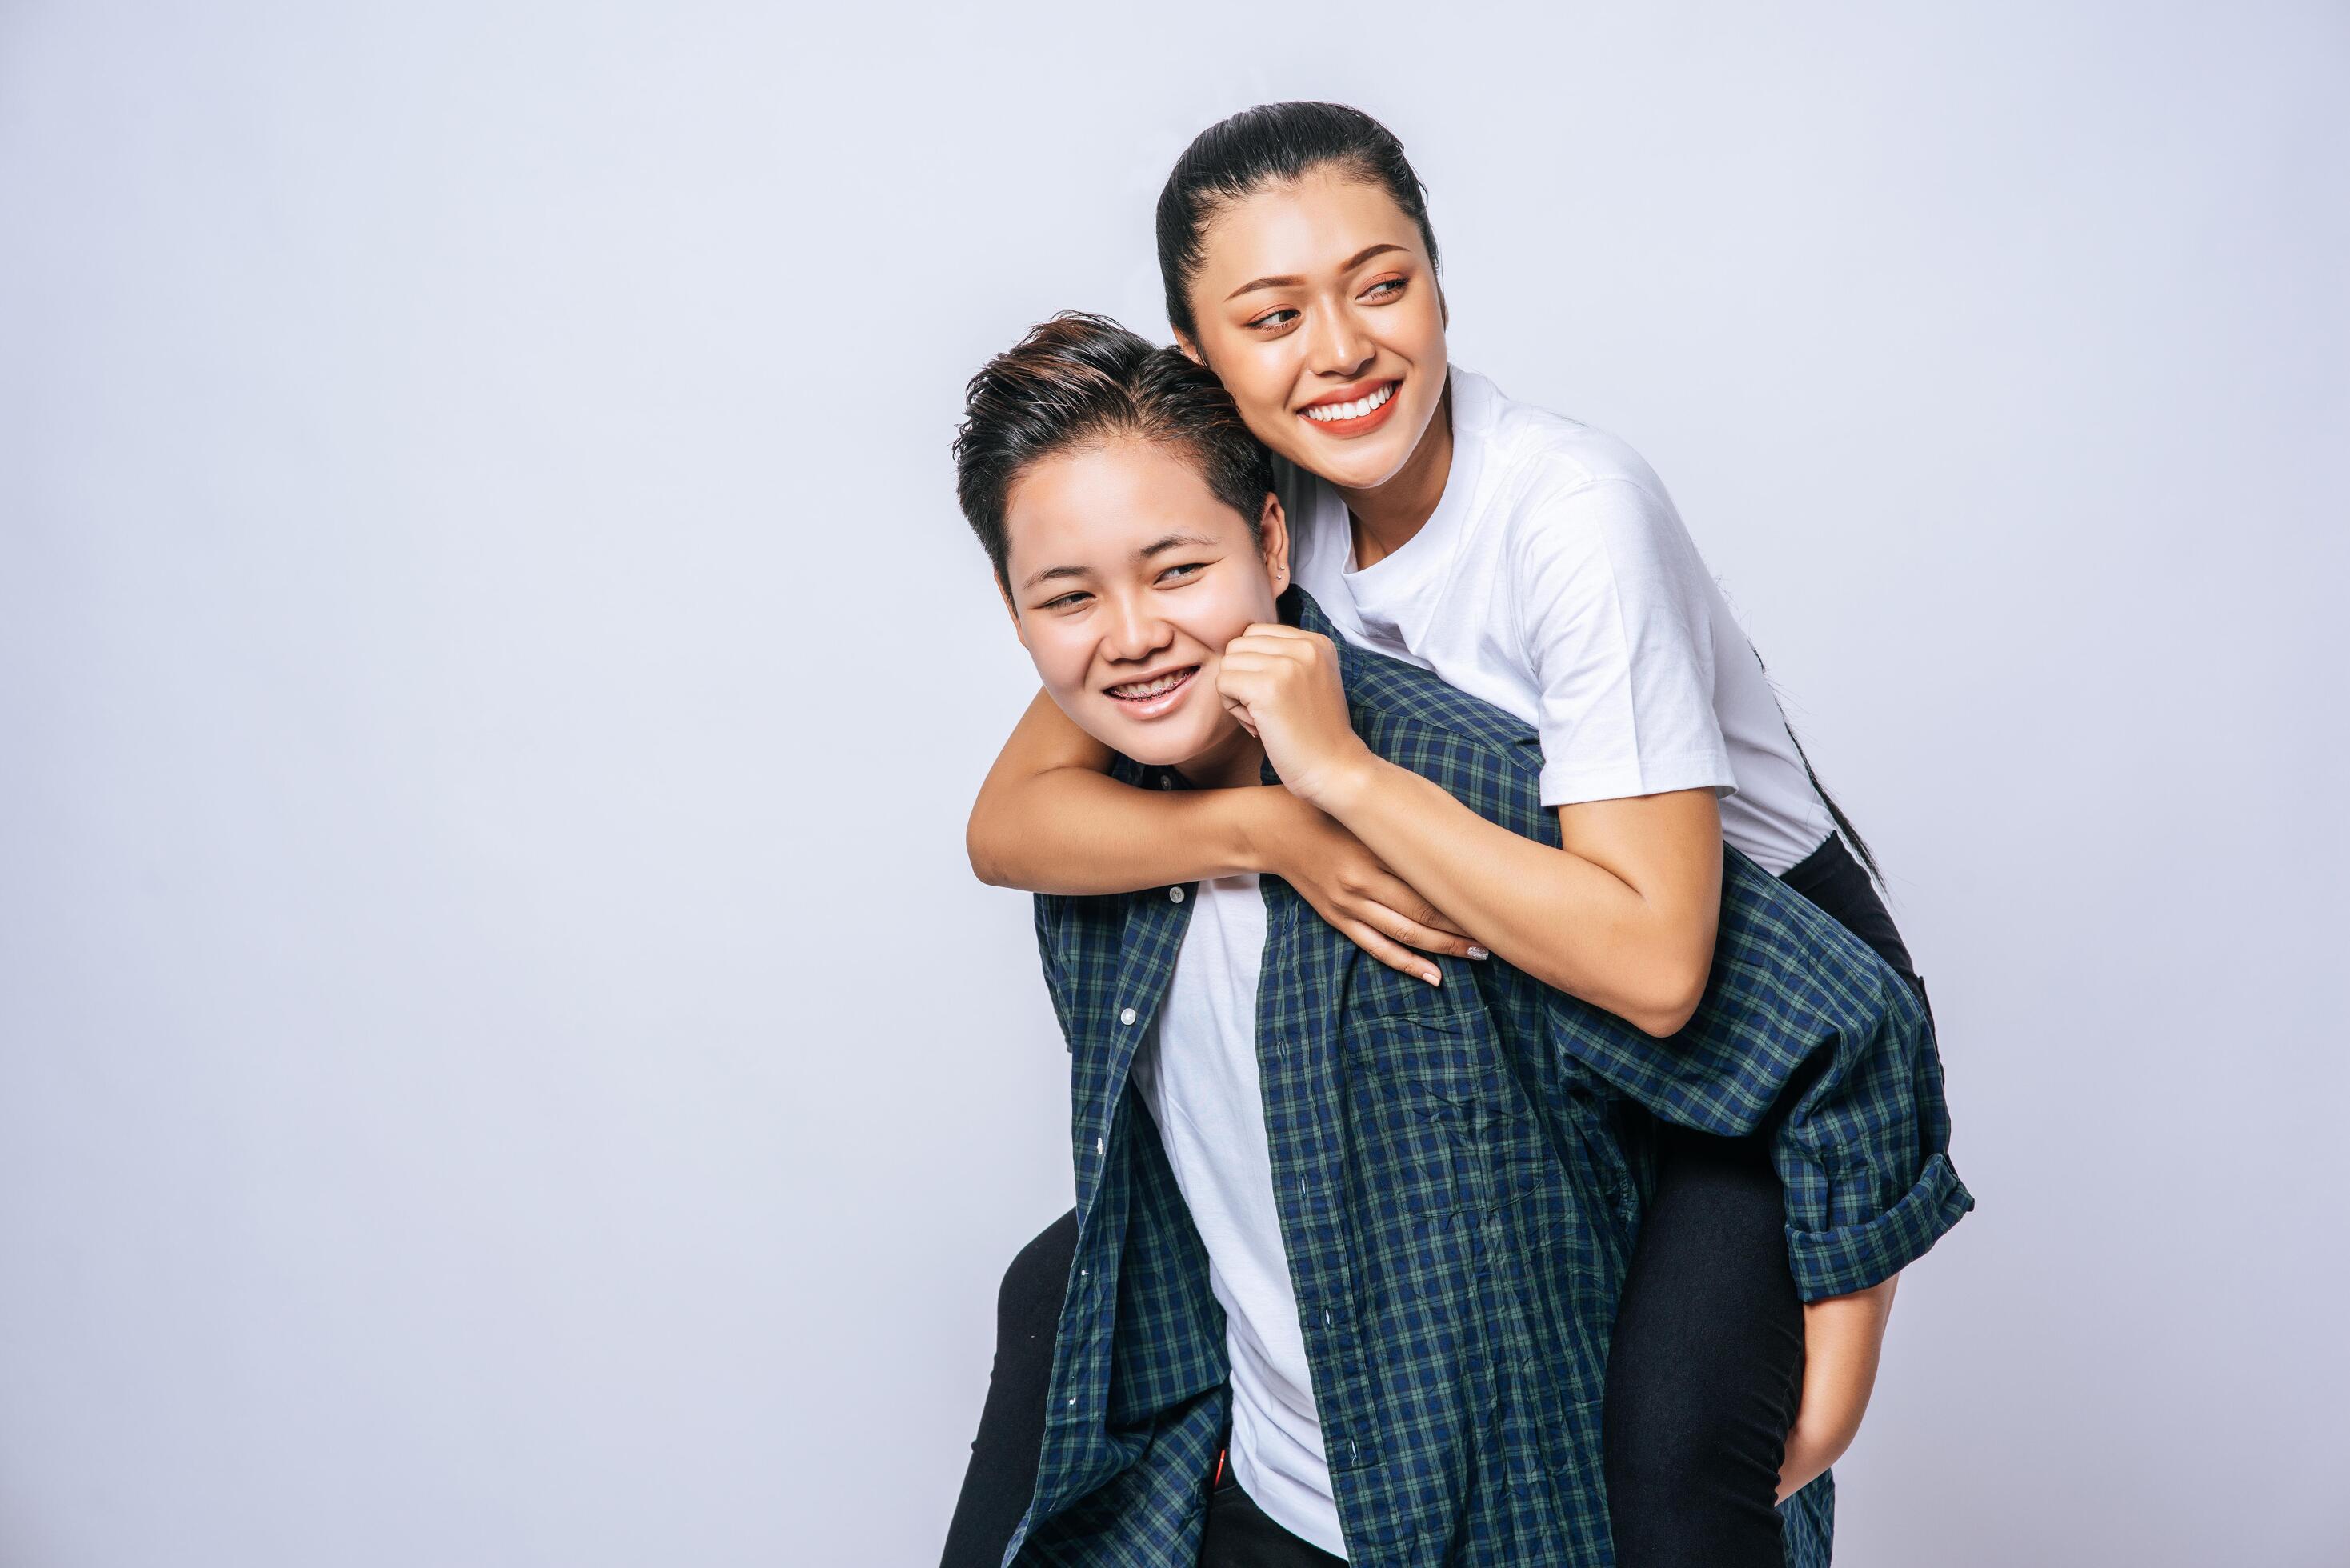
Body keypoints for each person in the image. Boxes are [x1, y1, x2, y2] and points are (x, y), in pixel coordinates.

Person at [943, 105, 1952, 1568]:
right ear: (1200, 354)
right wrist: (1272, 830)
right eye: (1271, 315)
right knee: (1063, 1285)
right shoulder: (1245, 502)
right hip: (1531, 964)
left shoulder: (1569, 517)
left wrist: (1341, 788)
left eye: (1381, 282)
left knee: (1674, 1470)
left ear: (1437, 277)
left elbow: (1670, 969)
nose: (1339, 350)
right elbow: (1014, 817)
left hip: (1753, 969)